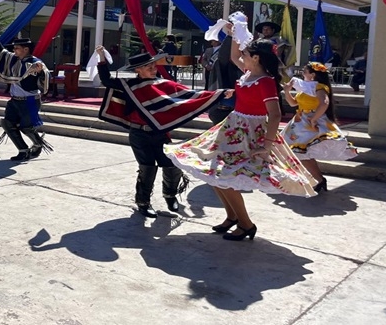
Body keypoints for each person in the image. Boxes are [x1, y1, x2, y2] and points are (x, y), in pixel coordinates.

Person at [164, 34, 317, 241]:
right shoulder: (247, 73)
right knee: (212, 171)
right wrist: (235, 31)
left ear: (256, 58)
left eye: (247, 54)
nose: (242, 56)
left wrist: (267, 145)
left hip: (250, 133)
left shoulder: (265, 82)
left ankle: (246, 225)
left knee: (226, 176)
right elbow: (234, 54)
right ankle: (232, 217)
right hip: (232, 127)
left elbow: (275, 114)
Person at [96, 47, 225, 218]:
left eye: (154, 66)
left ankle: (170, 196)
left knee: (171, 164)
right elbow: (106, 79)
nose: (153, 69)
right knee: (147, 167)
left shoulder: (163, 84)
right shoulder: (129, 86)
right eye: (148, 67)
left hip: (159, 133)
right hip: (138, 134)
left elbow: (190, 95)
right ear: (138, 70)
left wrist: (219, 94)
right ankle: (143, 202)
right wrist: (101, 59)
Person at [282, 62, 358, 192]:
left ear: (313, 74)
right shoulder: (305, 87)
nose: (302, 74)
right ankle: (318, 179)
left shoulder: (320, 87)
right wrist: (287, 91)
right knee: (300, 153)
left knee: (301, 153)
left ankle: (318, 179)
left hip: (311, 122)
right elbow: (293, 103)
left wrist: (314, 118)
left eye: (305, 72)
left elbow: (324, 103)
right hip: (300, 121)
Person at [0, 27, 50, 161]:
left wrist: (40, 71)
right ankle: (23, 150)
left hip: (29, 101)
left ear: (26, 49)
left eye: (17, 48)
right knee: (7, 123)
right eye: (14, 49)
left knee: (26, 127)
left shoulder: (34, 62)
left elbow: (44, 74)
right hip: (15, 100)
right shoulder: (14, 60)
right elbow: (2, 52)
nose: (14, 51)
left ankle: (37, 144)